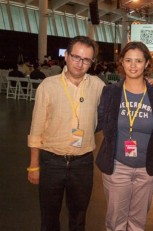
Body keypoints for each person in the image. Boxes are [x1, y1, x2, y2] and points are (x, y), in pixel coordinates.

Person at [27, 36, 106, 231]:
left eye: (86, 59)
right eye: (76, 57)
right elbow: (36, 127)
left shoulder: (98, 86)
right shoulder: (48, 85)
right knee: (49, 218)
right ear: (66, 57)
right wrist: (33, 165)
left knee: (79, 219)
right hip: (51, 161)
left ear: (92, 62)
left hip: (83, 163)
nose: (80, 64)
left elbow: (118, 101)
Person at [95, 41, 153, 231]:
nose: (133, 65)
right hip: (117, 167)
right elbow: (99, 122)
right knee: (115, 221)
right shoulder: (110, 93)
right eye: (128, 60)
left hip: (146, 170)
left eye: (139, 61)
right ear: (122, 63)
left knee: (137, 222)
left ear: (147, 63)